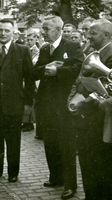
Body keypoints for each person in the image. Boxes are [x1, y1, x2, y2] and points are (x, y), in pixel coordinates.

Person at [33, 16, 84, 199]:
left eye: (46, 28)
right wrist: (46, 67)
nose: (42, 32)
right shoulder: (45, 48)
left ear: (58, 29)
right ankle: (55, 176)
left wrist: (58, 71)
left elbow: (79, 69)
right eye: (43, 28)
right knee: (50, 142)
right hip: (46, 104)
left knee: (66, 145)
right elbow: (35, 71)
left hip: (63, 104)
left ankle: (70, 185)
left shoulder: (71, 46)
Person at [0, 18, 35, 183]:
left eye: (7, 30)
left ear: (14, 33)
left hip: (14, 104)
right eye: (0, 30)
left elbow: (29, 79)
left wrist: (28, 103)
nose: (3, 33)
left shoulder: (22, 50)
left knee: (13, 140)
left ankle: (13, 172)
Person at [68, 18, 112, 200]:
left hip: (99, 120)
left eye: (93, 33)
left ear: (107, 35)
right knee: (87, 166)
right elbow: (79, 79)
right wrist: (71, 99)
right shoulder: (93, 52)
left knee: (99, 169)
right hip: (86, 118)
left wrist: (92, 101)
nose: (87, 36)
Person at [21, 29, 39, 133]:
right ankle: (25, 122)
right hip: (24, 77)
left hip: (32, 78)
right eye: (27, 39)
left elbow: (33, 63)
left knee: (30, 99)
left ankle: (30, 122)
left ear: (36, 39)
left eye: (31, 39)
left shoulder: (36, 51)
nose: (29, 41)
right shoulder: (25, 49)